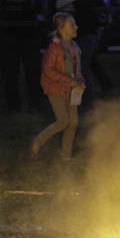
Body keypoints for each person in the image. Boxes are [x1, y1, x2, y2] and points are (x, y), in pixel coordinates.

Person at [51, 0, 109, 109]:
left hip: (85, 32)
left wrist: (68, 4)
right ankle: (75, 101)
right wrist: (71, 3)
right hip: (67, 35)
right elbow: (55, 6)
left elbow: (83, 6)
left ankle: (86, 103)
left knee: (82, 67)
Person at [30, 12, 85, 161]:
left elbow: (76, 68)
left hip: (73, 90)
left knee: (73, 122)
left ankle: (65, 154)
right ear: (61, 29)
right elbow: (48, 69)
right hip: (57, 90)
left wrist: (80, 80)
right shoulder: (54, 48)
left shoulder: (75, 47)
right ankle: (38, 140)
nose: (76, 27)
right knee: (63, 121)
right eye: (72, 25)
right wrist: (67, 80)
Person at [0, 0, 45, 112]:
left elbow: (39, 6)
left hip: (29, 33)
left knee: (33, 71)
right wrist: (6, 0)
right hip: (8, 33)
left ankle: (34, 104)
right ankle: (13, 105)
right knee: (10, 72)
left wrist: (25, 1)